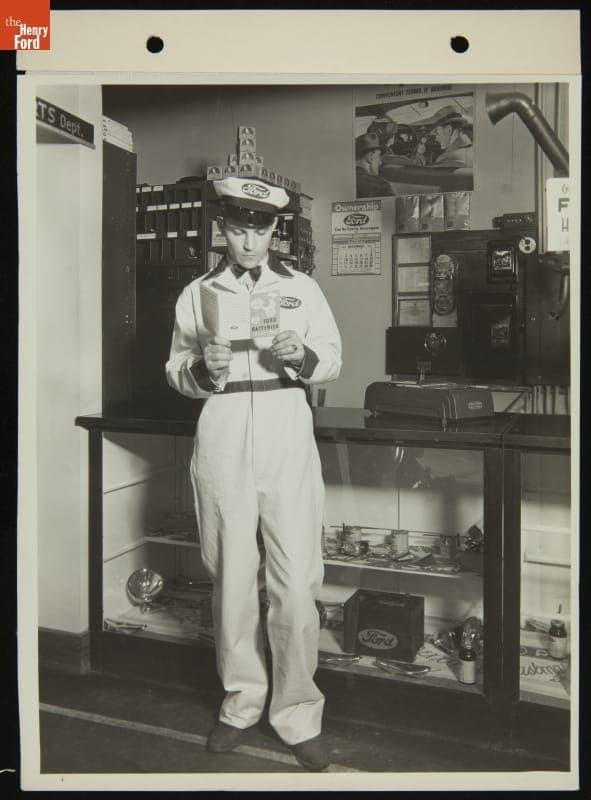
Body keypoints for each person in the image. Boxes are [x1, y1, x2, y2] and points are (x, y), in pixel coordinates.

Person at [165, 176, 342, 771]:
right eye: (238, 229)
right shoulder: (197, 292)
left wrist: (303, 356)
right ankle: (240, 703)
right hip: (221, 432)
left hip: (285, 427)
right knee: (233, 578)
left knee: (294, 583)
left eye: (259, 229)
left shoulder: (302, 288)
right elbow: (175, 369)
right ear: (224, 228)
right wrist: (201, 367)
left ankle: (297, 714)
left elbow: (333, 360)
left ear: (275, 231)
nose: (247, 241)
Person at [355, 132, 395, 197]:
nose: (380, 162)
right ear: (370, 157)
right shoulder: (381, 186)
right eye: (378, 156)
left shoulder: (342, 181)